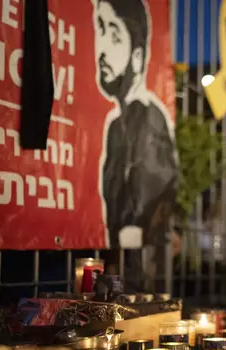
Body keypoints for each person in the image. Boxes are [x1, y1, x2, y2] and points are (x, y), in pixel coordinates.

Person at [92, 0, 178, 248]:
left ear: (137, 57)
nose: (102, 48)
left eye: (115, 35)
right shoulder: (118, 125)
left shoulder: (148, 122)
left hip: (132, 271)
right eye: (100, 29)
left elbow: (137, 227)